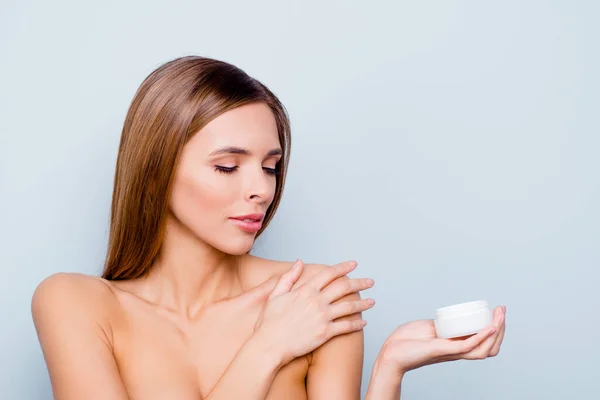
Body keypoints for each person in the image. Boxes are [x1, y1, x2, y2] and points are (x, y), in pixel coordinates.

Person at [31, 55, 507, 400]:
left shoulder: (317, 297)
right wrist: (269, 347)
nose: (261, 189)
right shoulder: (76, 304)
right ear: (157, 170)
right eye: (227, 167)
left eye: (270, 166)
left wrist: (389, 370)